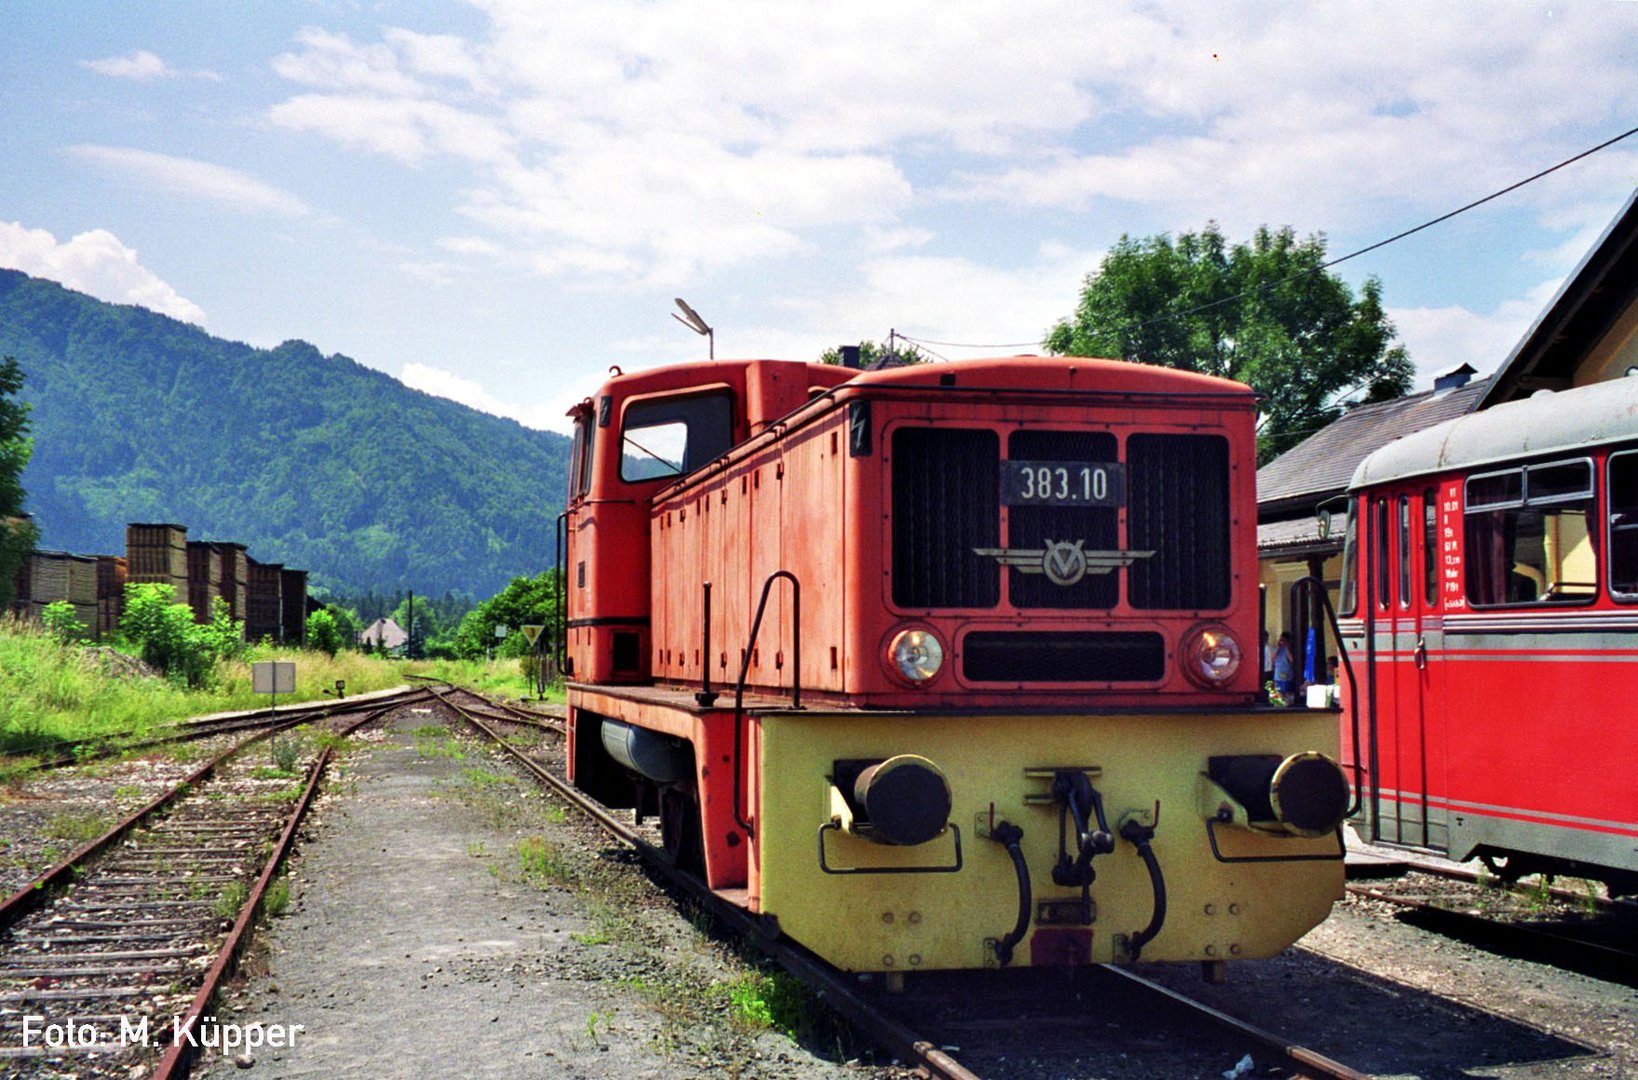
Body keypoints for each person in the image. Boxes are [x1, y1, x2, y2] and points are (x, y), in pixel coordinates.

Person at [1272, 632, 1296, 701]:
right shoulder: (1278, 649)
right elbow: (1272, 659)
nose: (1282, 642)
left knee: (1287, 697)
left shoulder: (1289, 649)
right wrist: (1278, 648)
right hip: (1277, 677)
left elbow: (1291, 660)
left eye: (1284, 640)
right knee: (1277, 697)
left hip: (1287, 677)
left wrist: (1287, 647)